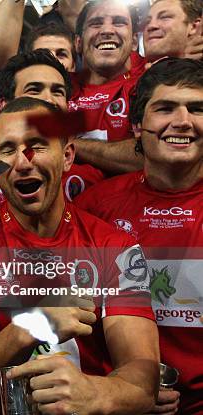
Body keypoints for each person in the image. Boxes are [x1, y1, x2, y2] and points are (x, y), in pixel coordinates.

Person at [0, 97, 159, 413]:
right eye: (7, 150)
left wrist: (95, 393)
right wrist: (30, 327)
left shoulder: (114, 247)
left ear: (67, 155)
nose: (23, 162)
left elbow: (144, 379)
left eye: (38, 146)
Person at [76, 57, 203, 414]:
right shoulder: (95, 207)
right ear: (136, 125)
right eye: (165, 108)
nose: (182, 121)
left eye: (197, 108)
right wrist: (126, 392)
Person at [0, 49, 106, 202]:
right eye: (34, 90)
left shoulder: (93, 180)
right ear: (5, 105)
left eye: (57, 92)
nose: (49, 100)